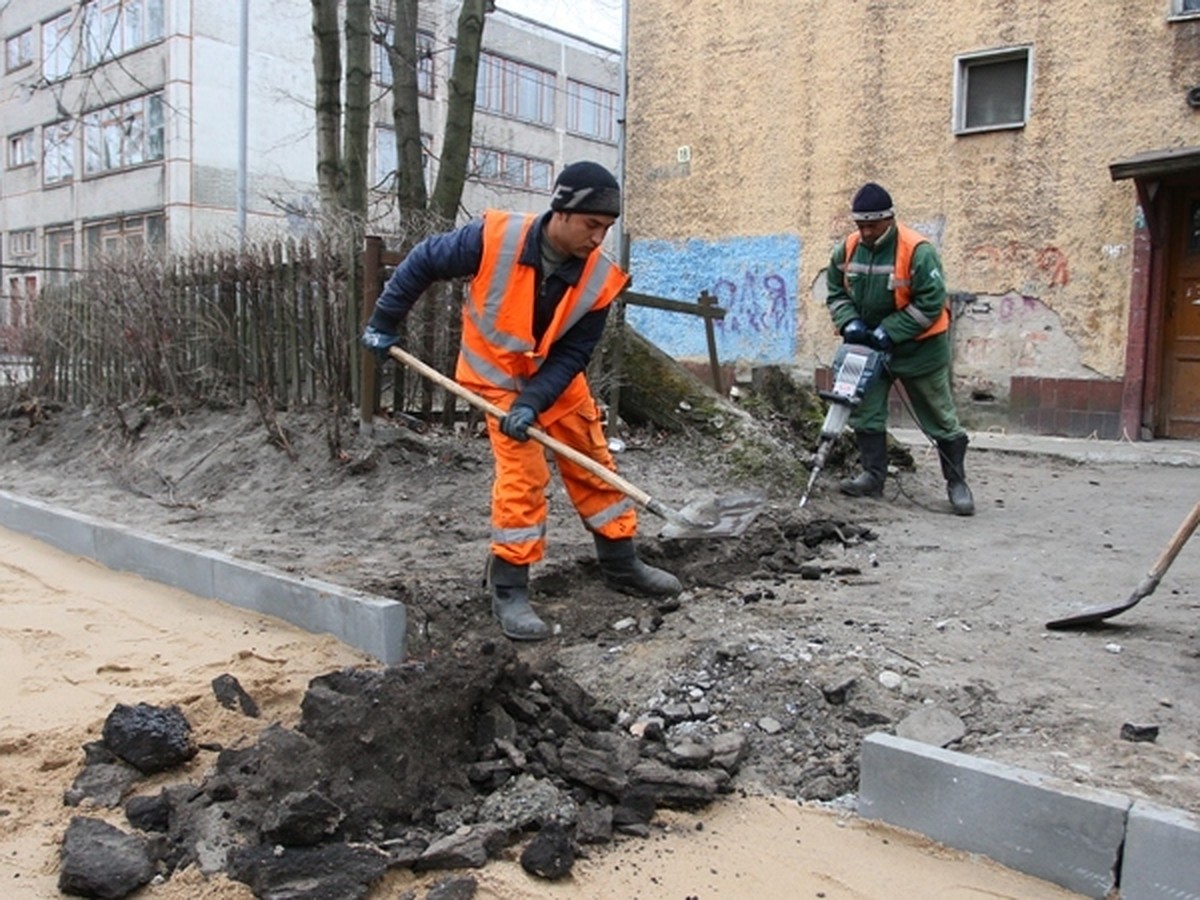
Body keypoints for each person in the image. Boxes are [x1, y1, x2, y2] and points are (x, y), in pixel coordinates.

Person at [361, 161, 683, 641]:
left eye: (607, 228)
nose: (598, 238)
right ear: (562, 210)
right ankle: (509, 587)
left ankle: (621, 562)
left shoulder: (600, 280)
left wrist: (534, 400)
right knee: (524, 476)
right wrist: (386, 319)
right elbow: (425, 259)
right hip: (496, 380)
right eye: (592, 225)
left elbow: (574, 351)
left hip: (554, 383)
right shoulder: (494, 238)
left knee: (594, 461)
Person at [824, 182, 975, 516]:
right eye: (860, 225)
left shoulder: (918, 250)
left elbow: (931, 302)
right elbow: (835, 290)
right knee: (866, 409)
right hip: (868, 347)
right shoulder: (847, 250)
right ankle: (873, 476)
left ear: (889, 220)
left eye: (872, 225)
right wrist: (849, 321)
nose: (865, 232)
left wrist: (890, 331)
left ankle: (957, 483)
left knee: (939, 415)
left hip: (919, 349)